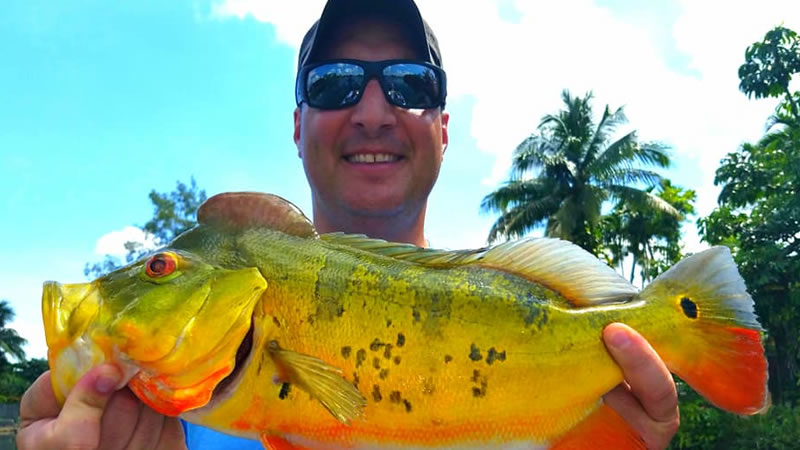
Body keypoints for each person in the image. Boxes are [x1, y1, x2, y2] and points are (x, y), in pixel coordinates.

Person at [17, 0, 680, 448]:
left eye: (409, 84)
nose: (371, 110)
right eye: (334, 83)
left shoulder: (589, 397)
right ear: (298, 123)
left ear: (444, 129)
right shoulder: (152, 428)